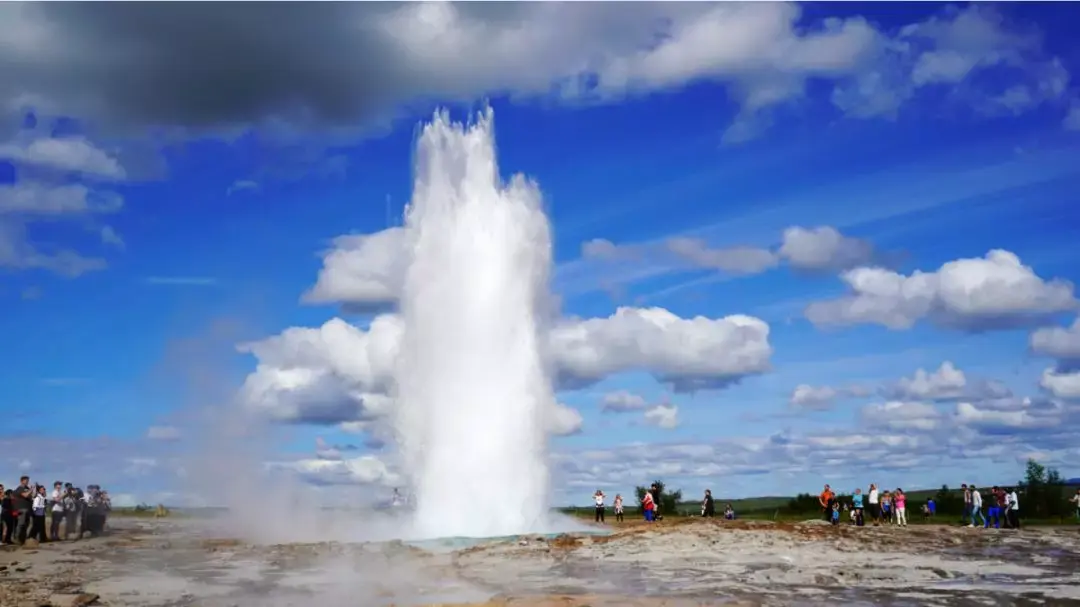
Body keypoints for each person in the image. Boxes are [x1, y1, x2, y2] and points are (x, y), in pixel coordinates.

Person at [13, 476, 33, 544]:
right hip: (21, 509)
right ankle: (17, 538)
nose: (27, 482)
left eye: (27, 480)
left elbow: (32, 496)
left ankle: (23, 539)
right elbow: (25, 495)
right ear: (21, 481)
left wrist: (33, 489)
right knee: (21, 524)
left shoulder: (27, 489)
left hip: (27, 509)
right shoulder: (20, 488)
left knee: (26, 524)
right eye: (26, 480)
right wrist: (31, 490)